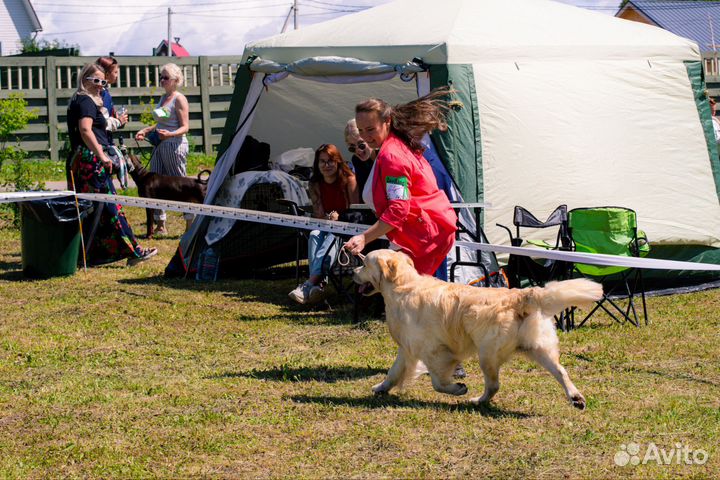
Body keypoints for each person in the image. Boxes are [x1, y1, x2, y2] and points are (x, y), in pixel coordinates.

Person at [344, 89, 458, 277]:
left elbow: (398, 209)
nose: (365, 136)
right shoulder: (393, 144)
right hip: (425, 231)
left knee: (416, 300)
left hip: (425, 237)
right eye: (361, 130)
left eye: (370, 129)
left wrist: (364, 238)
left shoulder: (392, 156)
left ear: (387, 121)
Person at [66, 63, 156, 266]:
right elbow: (85, 130)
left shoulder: (77, 100)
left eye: (103, 82)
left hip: (80, 161)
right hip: (91, 162)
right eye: (96, 81)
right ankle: (134, 251)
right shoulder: (86, 101)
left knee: (90, 209)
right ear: (84, 80)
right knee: (110, 206)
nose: (100, 85)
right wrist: (103, 156)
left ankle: (88, 255)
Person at [289, 144, 359, 305]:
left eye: (330, 161)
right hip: (325, 226)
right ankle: (319, 286)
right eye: (322, 162)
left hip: (347, 229)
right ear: (317, 164)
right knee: (314, 234)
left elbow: (355, 212)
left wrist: (339, 217)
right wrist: (327, 218)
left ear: (338, 162)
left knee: (332, 236)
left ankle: (309, 283)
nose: (326, 165)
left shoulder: (349, 179)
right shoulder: (315, 183)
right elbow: (319, 214)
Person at [135, 63, 190, 235]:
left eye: (166, 77)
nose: (162, 80)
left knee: (181, 184)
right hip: (160, 146)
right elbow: (161, 122)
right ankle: (160, 224)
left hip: (175, 145)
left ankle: (190, 224)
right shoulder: (163, 98)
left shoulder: (179, 98)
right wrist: (147, 130)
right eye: (161, 76)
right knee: (154, 185)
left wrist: (170, 134)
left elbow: (185, 127)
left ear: (175, 80)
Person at [344, 118, 378, 193]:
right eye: (352, 147)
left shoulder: (387, 157)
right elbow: (363, 188)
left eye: (361, 145)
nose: (358, 151)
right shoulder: (357, 160)